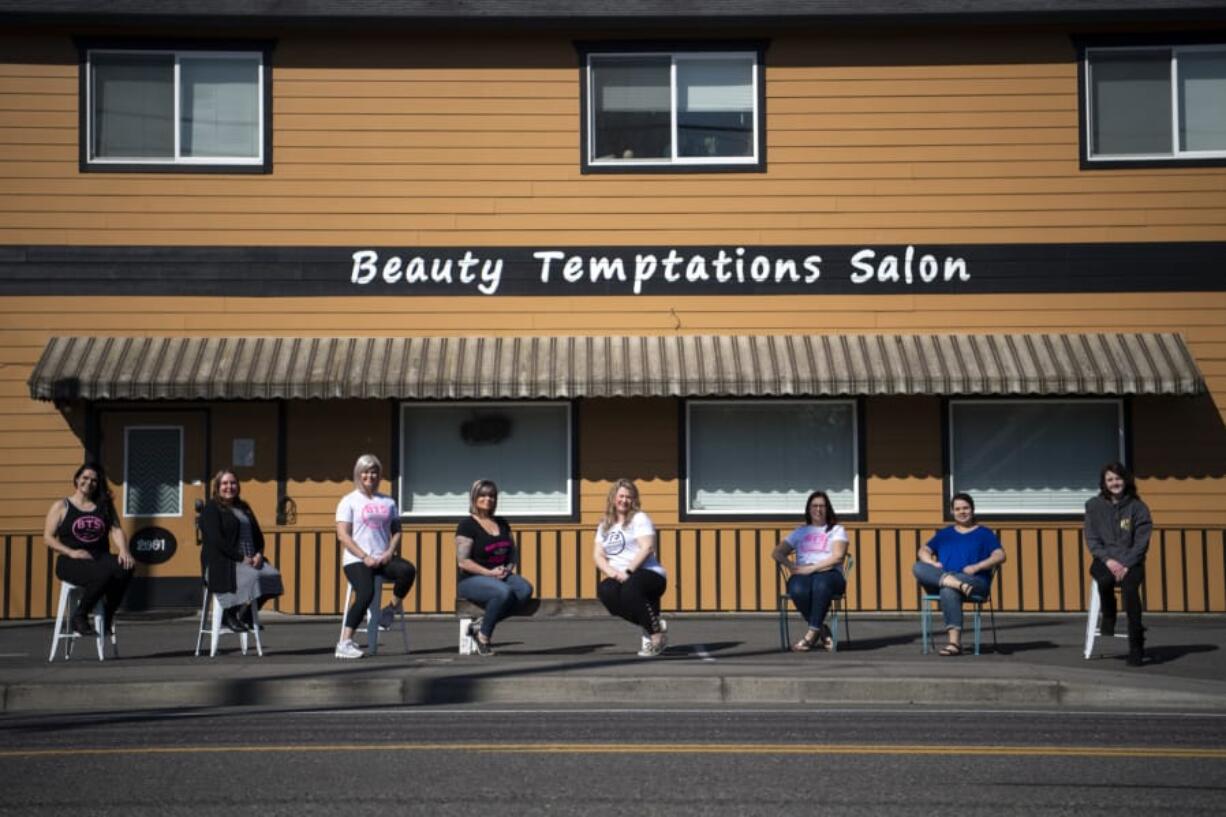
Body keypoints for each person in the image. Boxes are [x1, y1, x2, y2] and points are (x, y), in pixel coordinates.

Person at [334, 454, 416, 659]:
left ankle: (389, 611)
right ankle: (344, 643)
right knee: (366, 593)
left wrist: (389, 552)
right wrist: (364, 556)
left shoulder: (388, 500)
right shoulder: (349, 501)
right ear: (358, 474)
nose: (370, 476)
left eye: (374, 472)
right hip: (357, 560)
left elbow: (397, 530)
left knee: (407, 570)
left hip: (382, 558)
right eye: (365, 472)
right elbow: (342, 535)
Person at [43, 462, 134, 637]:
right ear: (77, 479)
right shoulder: (62, 506)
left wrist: (124, 550)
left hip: (99, 557)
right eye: (85, 478)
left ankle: (108, 614)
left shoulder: (104, 506)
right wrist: (71, 552)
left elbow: (116, 529)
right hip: (71, 561)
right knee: (104, 573)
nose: (89, 482)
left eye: (94, 480)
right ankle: (80, 615)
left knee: (126, 567)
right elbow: (47, 537)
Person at [912, 493, 1006, 656]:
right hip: (948, 581)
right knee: (918, 567)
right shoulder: (945, 534)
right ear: (953, 512)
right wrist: (932, 563)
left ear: (972, 510)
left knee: (948, 589)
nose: (962, 512)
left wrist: (977, 566)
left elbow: (1000, 555)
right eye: (958, 509)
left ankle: (954, 643)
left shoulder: (984, 533)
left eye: (965, 508)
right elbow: (923, 551)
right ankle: (954, 583)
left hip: (974, 583)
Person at [454, 479, 534, 656]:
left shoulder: (502, 523)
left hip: (500, 574)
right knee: (503, 592)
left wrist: (508, 568)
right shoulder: (467, 525)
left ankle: (480, 625)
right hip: (471, 579)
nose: (487, 499)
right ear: (474, 498)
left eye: (491, 495)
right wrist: (489, 573)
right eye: (482, 495)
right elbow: (463, 561)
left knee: (525, 589)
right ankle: (483, 637)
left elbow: (513, 552)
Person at [198, 470, 284, 633]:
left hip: (250, 559)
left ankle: (246, 616)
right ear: (217, 487)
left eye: (232, 483)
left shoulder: (244, 507)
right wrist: (240, 558)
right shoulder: (212, 509)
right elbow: (218, 541)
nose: (229, 487)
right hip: (224, 562)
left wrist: (258, 553)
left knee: (272, 576)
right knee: (254, 576)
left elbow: (258, 536)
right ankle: (228, 614)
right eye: (224, 483)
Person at [1084, 462, 1151, 667]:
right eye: (1110, 479)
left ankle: (1136, 646)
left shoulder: (1138, 507)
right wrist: (1110, 561)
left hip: (1132, 562)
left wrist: (1127, 564)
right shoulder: (1094, 506)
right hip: (1104, 560)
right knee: (1104, 580)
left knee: (1130, 591)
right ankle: (1109, 614)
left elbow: (1142, 541)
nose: (1115, 483)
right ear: (1104, 483)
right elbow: (1092, 539)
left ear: (1126, 480)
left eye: (1118, 478)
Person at [594, 479, 668, 657]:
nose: (624, 500)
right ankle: (654, 624)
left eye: (629, 497)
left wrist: (628, 572)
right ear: (613, 498)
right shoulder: (605, 525)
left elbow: (647, 547)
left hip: (649, 573)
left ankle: (656, 637)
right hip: (620, 575)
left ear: (633, 500)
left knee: (630, 589)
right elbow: (598, 555)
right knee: (605, 590)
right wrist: (613, 573)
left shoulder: (639, 518)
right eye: (621, 496)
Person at [773, 490, 850, 652]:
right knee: (797, 589)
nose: (818, 509)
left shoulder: (836, 530)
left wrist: (812, 568)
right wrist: (791, 566)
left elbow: (837, 557)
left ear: (828, 509)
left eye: (822, 506)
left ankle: (810, 636)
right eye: (814, 506)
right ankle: (822, 630)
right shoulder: (800, 531)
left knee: (820, 585)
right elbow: (777, 552)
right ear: (808, 509)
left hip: (830, 573)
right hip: (803, 573)